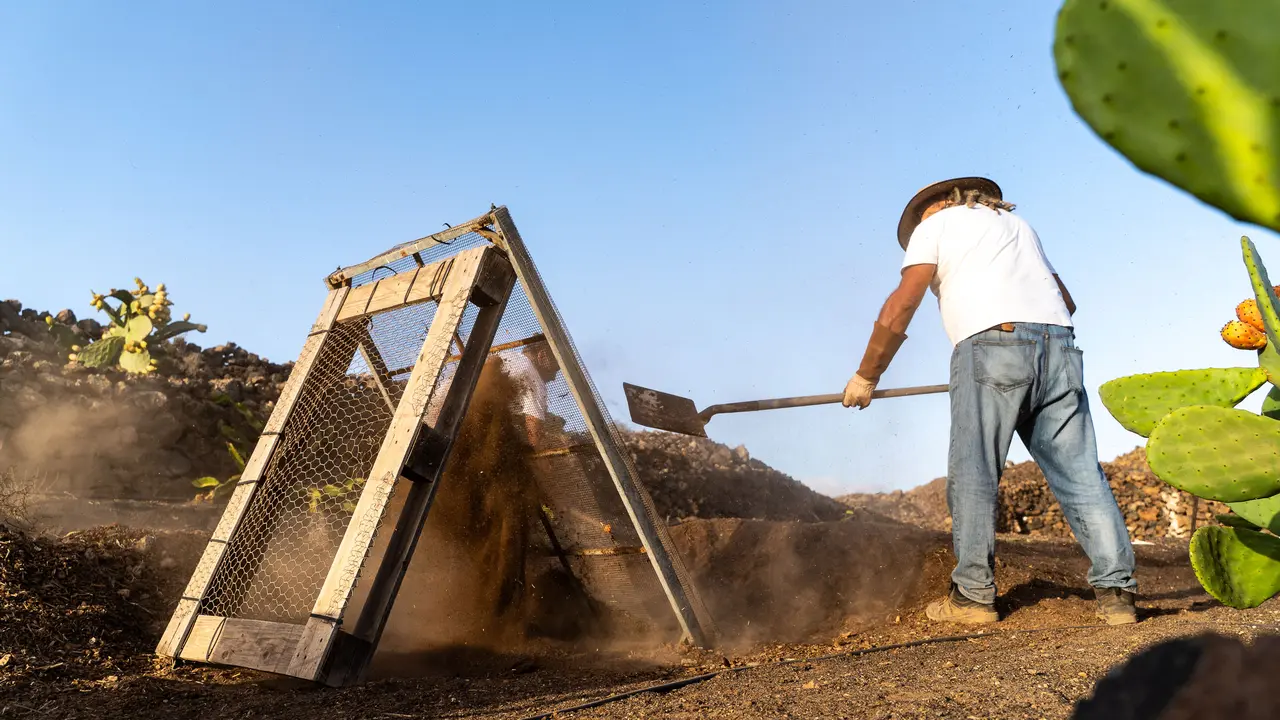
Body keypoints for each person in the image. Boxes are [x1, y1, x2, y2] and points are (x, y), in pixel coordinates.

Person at [842, 177, 1138, 626]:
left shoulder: (935, 225)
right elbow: (1066, 301)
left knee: (974, 473)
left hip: (991, 346)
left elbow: (903, 302)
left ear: (938, 205)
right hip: (1060, 346)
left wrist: (867, 374)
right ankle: (1117, 595)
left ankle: (972, 597)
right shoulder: (1019, 226)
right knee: (1081, 474)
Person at [502, 338, 562, 448]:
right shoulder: (535, 380)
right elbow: (533, 427)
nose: (554, 378)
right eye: (555, 367)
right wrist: (539, 455)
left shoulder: (507, 355)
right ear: (542, 356)